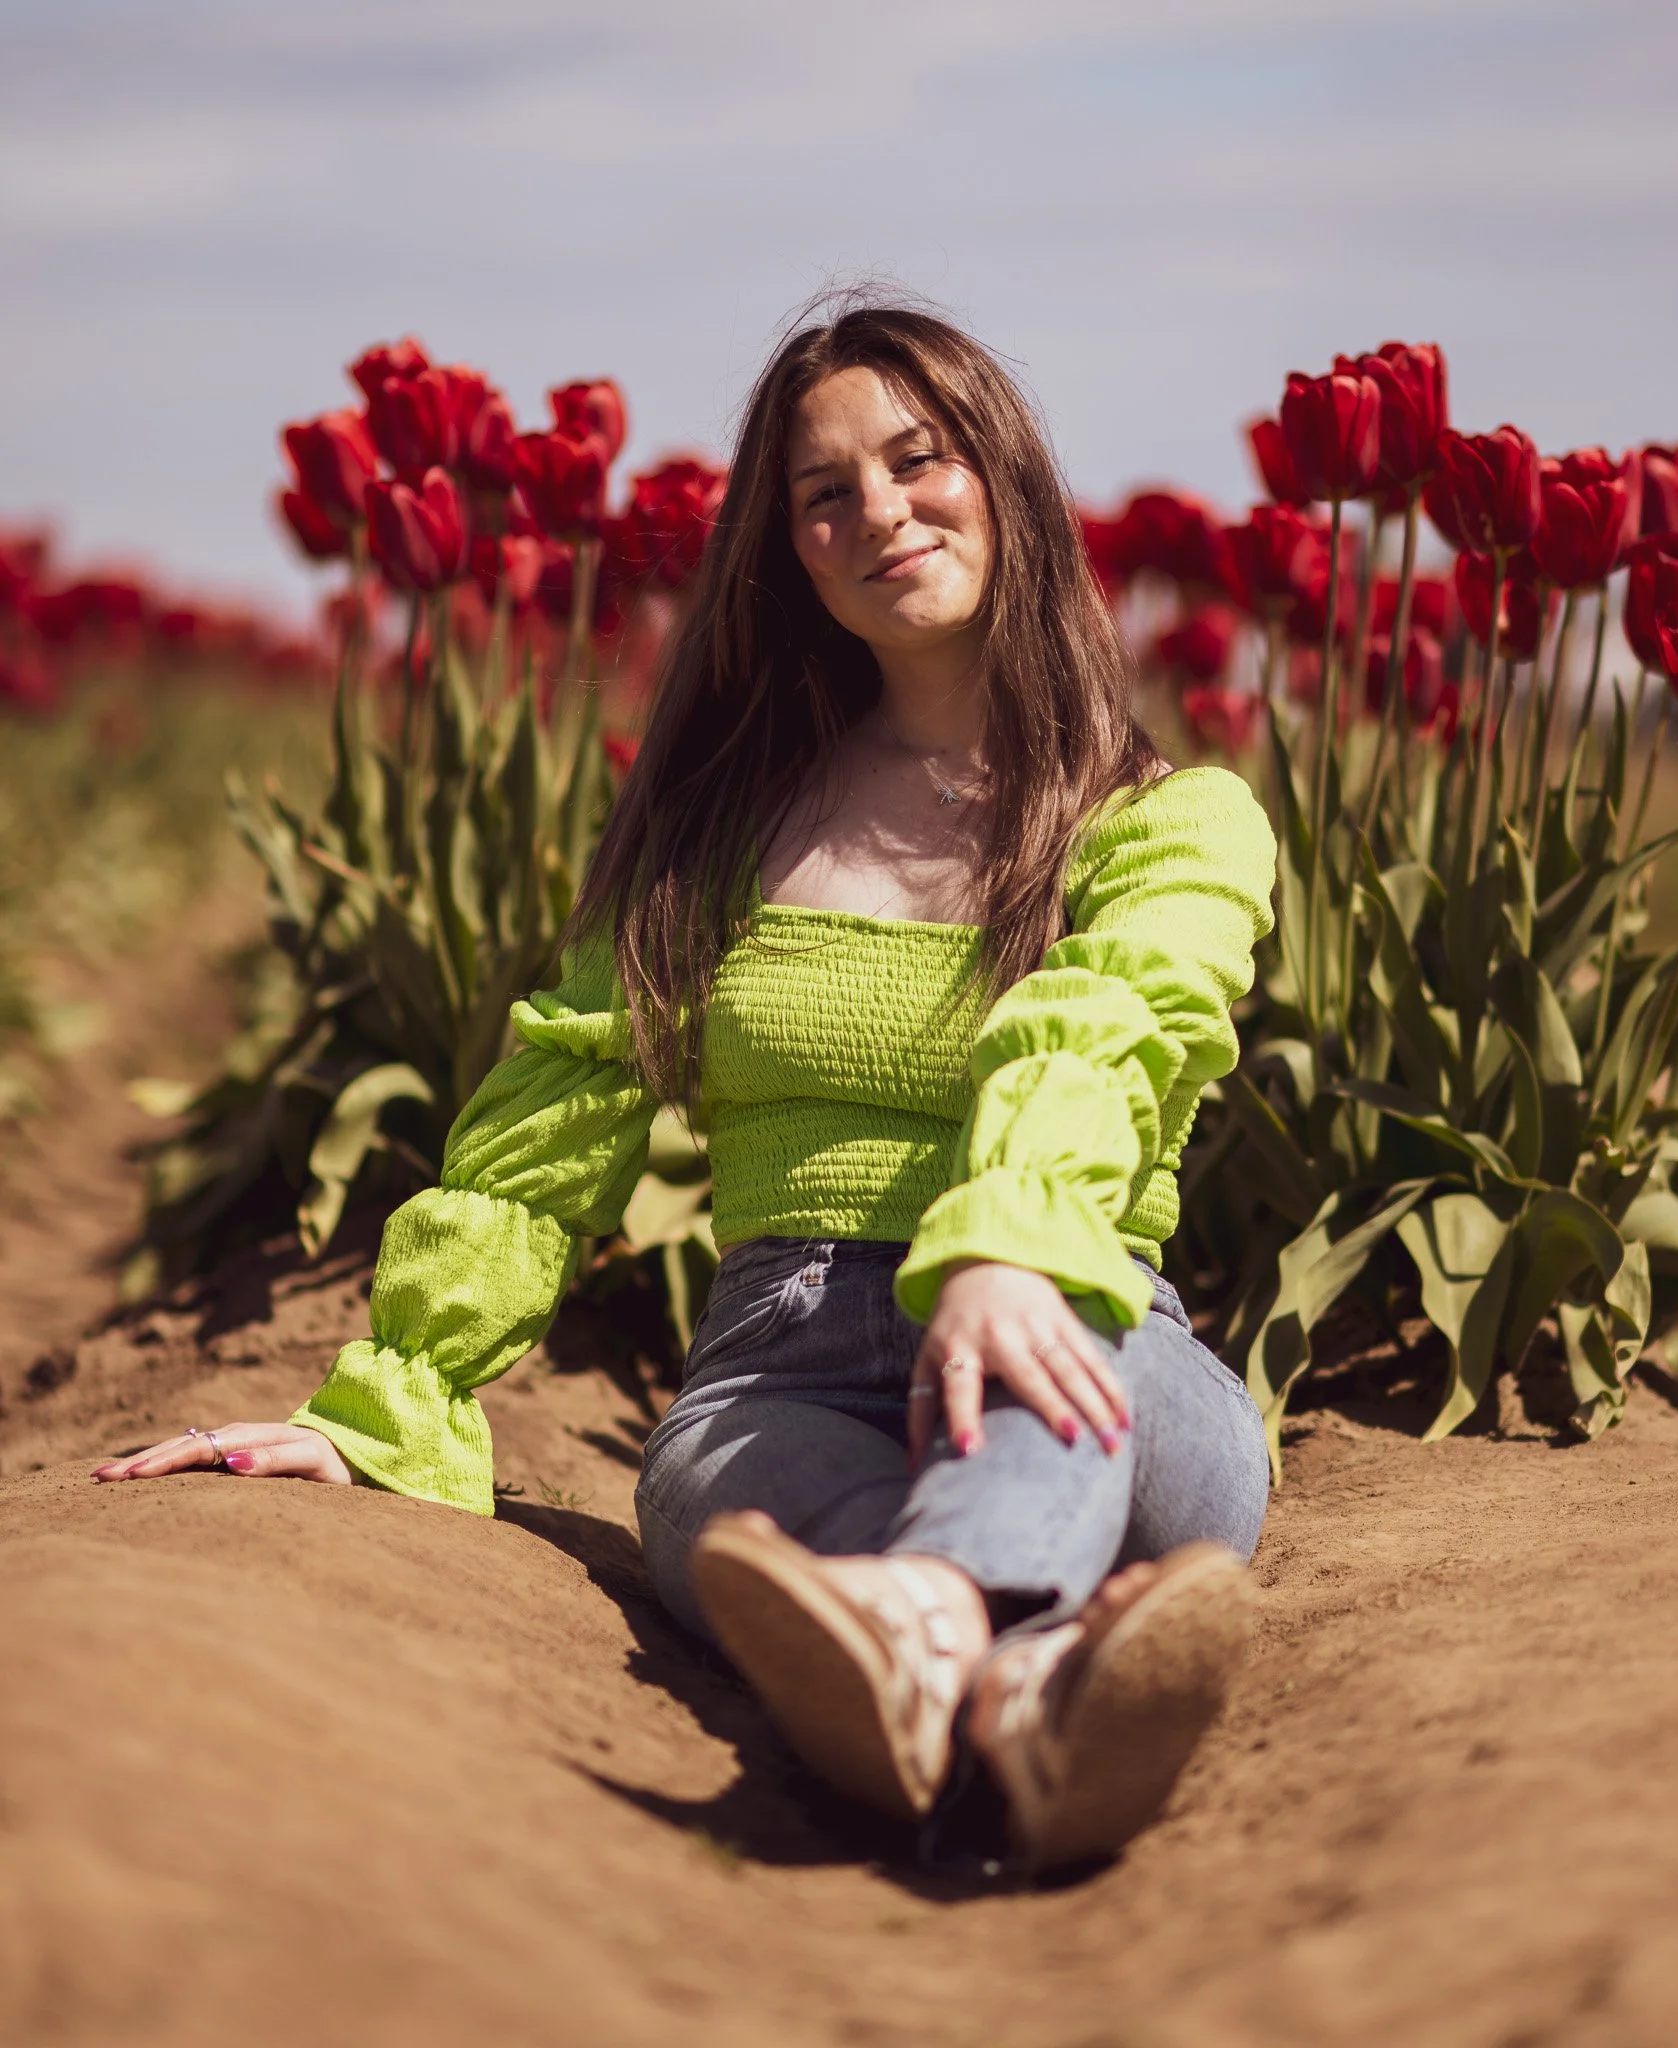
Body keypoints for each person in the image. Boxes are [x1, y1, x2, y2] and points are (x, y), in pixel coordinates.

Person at [96, 300, 1278, 1870]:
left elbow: (1115, 1018)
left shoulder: (1171, 821)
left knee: (1032, 1373)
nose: (880, 514)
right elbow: (560, 1108)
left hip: (1087, 1342)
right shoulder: (723, 833)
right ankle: (1023, 1692)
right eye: (824, 494)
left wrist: (1012, 1244)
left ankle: (930, 1625)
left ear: (1006, 477)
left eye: (919, 462)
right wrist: (395, 1401)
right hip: (783, 1370)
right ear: (785, 550)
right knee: (706, 1501)